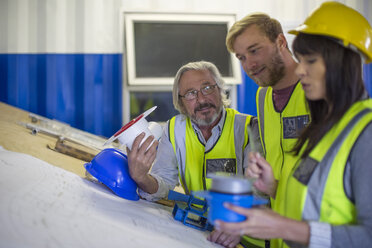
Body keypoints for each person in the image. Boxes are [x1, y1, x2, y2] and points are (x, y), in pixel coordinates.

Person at [215, 2, 372, 247]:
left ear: (341, 62)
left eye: (310, 61)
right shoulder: (329, 128)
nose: (301, 71)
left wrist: (284, 226)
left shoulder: (365, 131)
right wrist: (273, 186)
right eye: (242, 57)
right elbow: (320, 198)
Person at [126, 61, 262, 248]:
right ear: (180, 101)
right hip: (200, 235)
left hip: (248, 238)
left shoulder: (248, 128)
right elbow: (164, 182)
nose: (201, 99)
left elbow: (259, 190)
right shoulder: (174, 129)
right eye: (190, 93)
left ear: (220, 89)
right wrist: (142, 177)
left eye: (207, 88)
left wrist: (239, 224)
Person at [226, 12, 310, 247]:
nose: (248, 65)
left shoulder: (317, 89)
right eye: (241, 57)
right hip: (279, 233)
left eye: (255, 50)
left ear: (281, 42)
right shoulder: (262, 96)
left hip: (316, 233)